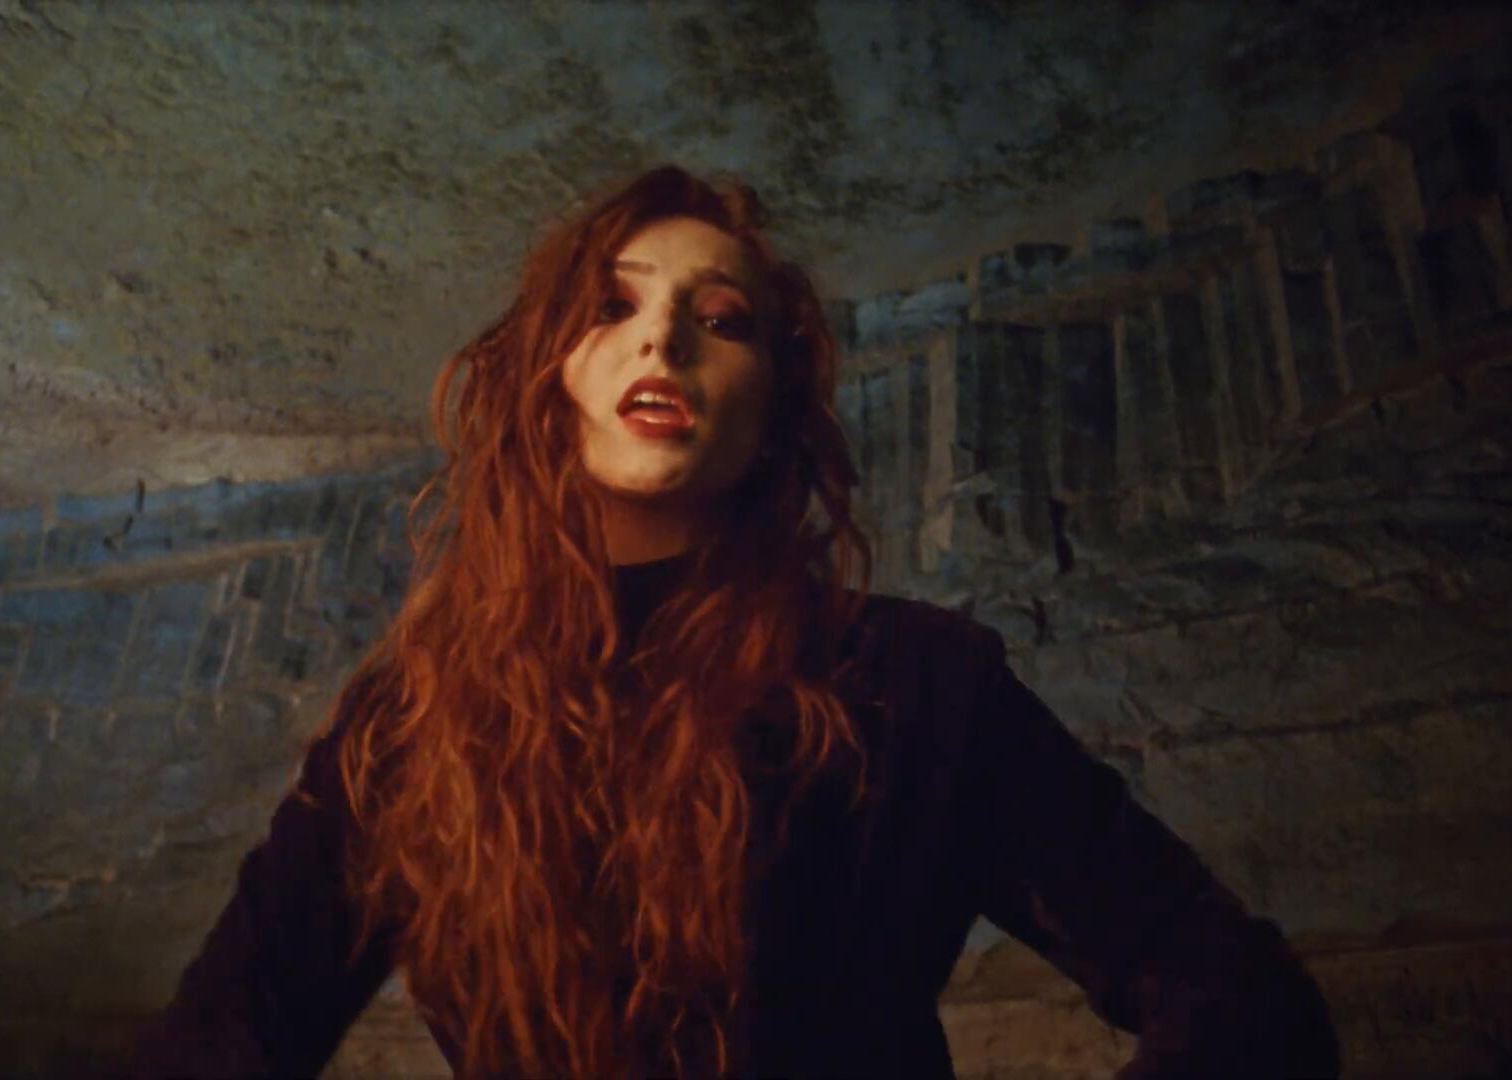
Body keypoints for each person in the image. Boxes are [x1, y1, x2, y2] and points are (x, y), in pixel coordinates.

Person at [129, 166, 1340, 1079]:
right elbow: (218, 1044)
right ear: (547, 383)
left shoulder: (915, 683)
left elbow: (1244, 999)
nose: (662, 337)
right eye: (611, 306)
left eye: (722, 320)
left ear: (775, 413)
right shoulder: (410, 725)